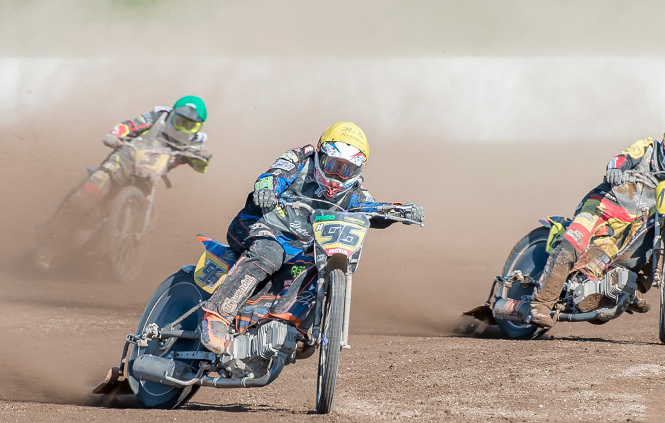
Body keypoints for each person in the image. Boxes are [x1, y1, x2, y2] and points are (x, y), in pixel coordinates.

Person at [200, 121, 425, 354]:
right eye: (332, 165)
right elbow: (272, 175)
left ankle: (290, 323)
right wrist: (267, 189)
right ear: (320, 153)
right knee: (270, 253)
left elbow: (371, 209)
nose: (337, 175)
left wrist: (399, 211)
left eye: (346, 169)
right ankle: (217, 316)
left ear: (359, 170)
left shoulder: (354, 191)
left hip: (297, 245)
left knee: (319, 261)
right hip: (257, 224)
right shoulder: (299, 159)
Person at [528, 119, 665, 328]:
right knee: (573, 243)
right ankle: (541, 304)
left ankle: (631, 288)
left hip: (632, 227)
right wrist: (615, 170)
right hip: (602, 207)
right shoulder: (645, 148)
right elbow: (620, 159)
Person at [33, 95, 212, 270]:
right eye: (180, 121)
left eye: (189, 125)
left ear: (198, 127)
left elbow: (199, 165)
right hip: (126, 159)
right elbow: (130, 126)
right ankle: (47, 247)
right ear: (173, 114)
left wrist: (203, 158)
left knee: (147, 219)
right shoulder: (159, 116)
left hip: (148, 178)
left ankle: (100, 256)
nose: (182, 128)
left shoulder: (197, 142)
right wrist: (114, 134)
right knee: (88, 195)